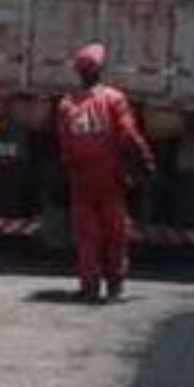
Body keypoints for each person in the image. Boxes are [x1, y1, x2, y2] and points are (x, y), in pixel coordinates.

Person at [56, 43, 154, 302]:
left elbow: (65, 146)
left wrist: (70, 170)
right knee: (115, 231)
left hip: (81, 178)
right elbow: (129, 135)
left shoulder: (67, 105)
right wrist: (145, 162)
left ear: (79, 73)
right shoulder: (114, 99)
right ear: (100, 71)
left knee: (87, 234)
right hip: (111, 176)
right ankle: (114, 284)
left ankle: (89, 286)